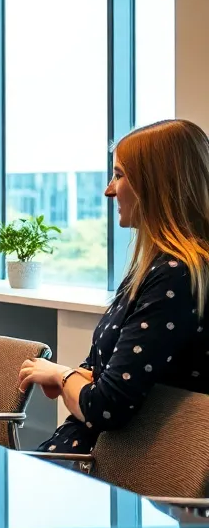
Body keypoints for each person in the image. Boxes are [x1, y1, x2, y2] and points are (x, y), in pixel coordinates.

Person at [19, 119, 209, 454]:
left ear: (156, 185)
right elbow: (98, 371)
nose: (109, 189)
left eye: (119, 175)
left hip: (108, 479)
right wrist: (76, 381)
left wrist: (62, 376)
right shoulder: (155, 270)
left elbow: (104, 407)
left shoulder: (175, 277)